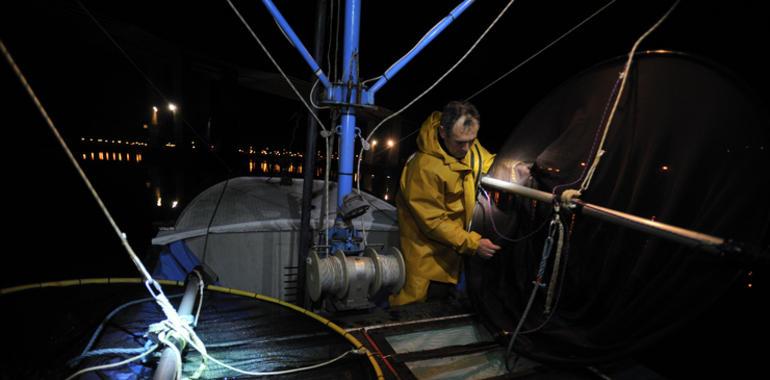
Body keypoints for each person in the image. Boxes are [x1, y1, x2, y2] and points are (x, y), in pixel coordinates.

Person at [390, 101, 500, 306]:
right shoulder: (423, 168)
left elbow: (486, 161)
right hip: (428, 264)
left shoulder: (466, 145)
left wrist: (515, 167)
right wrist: (474, 244)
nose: (467, 148)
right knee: (416, 316)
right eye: (460, 142)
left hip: (454, 257)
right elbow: (434, 223)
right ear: (442, 132)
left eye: (472, 140)